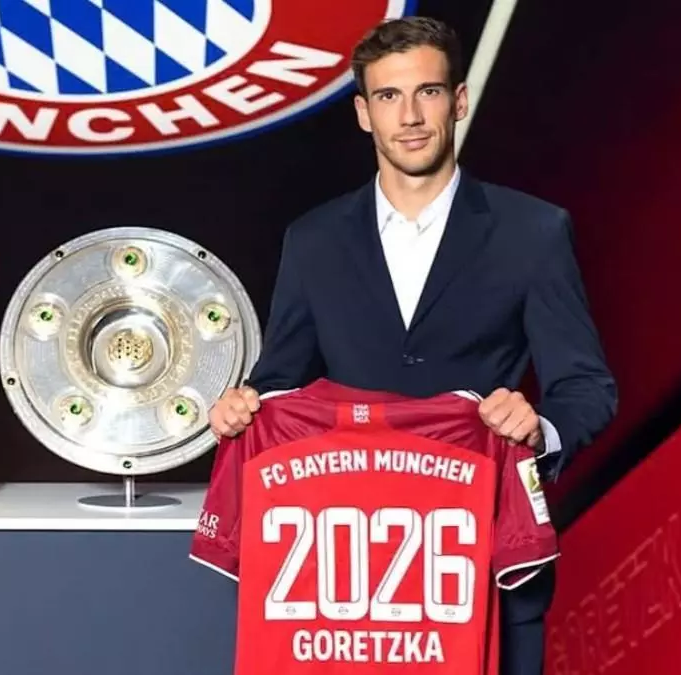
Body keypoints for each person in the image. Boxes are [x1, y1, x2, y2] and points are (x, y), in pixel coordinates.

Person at [207, 15, 617, 675]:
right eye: (389, 96)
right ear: (364, 113)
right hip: (342, 583)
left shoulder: (533, 231)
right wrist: (245, 406)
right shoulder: (313, 239)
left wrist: (539, 429)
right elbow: (281, 379)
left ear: (458, 101)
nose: (410, 116)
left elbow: (587, 386)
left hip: (484, 562)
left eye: (427, 92)